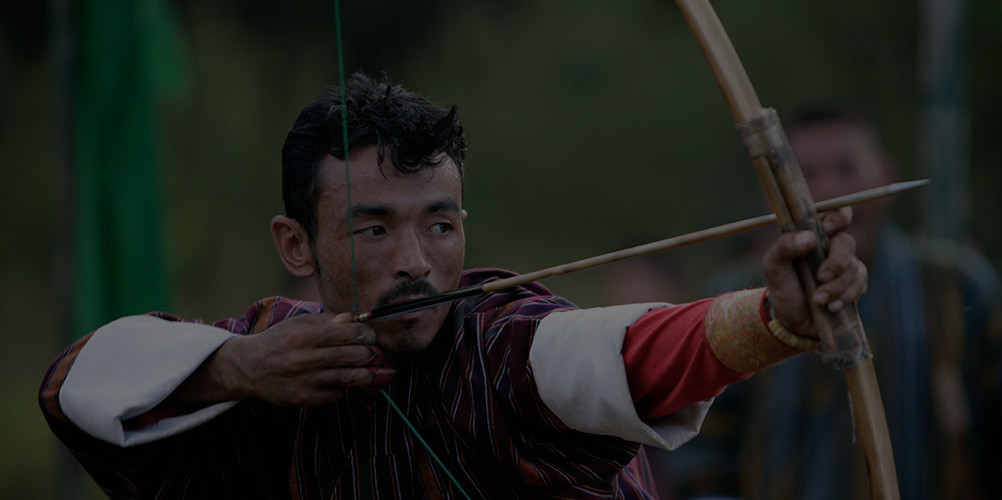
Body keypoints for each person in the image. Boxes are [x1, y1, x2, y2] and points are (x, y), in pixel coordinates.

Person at [38, 74, 868, 499]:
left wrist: (772, 318)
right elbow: (78, 382)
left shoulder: (501, 342)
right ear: (296, 244)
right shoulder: (268, 353)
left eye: (439, 224)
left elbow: (614, 354)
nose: (415, 262)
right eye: (373, 228)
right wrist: (241, 369)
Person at [665, 106, 1002, 500]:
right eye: (804, 174)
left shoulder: (957, 286)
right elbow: (699, 448)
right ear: (770, 193)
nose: (828, 191)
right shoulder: (735, 296)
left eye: (847, 168)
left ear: (886, 175)